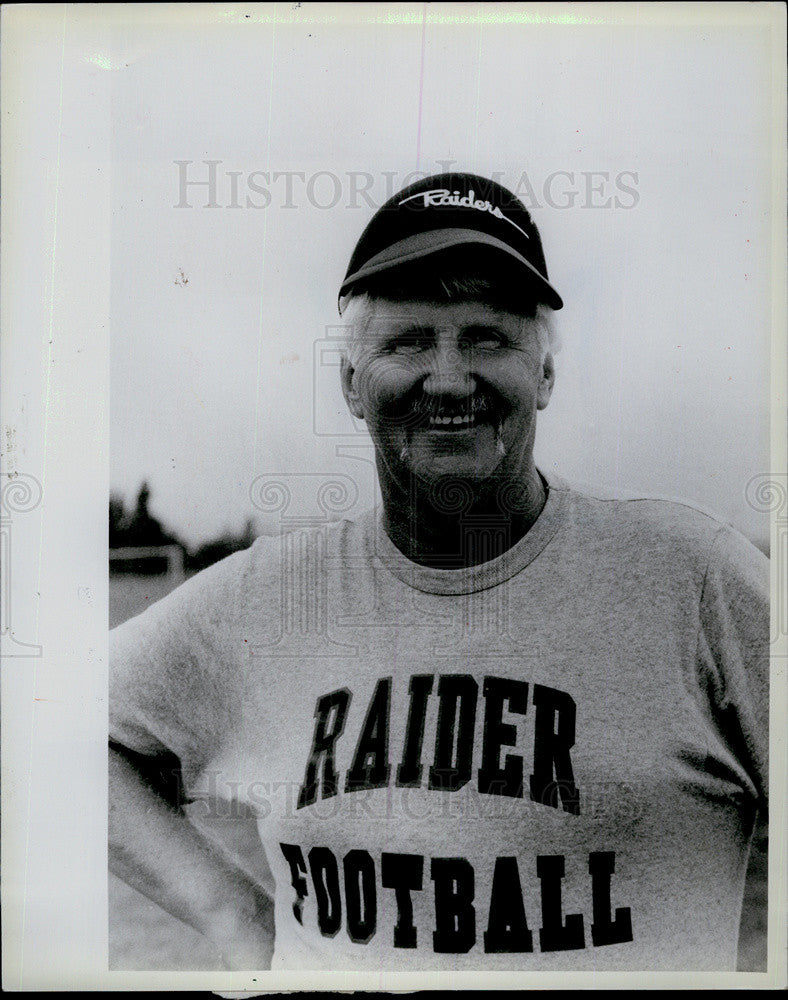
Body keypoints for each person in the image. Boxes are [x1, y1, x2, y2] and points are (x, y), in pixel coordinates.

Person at [109, 172, 769, 972]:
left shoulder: (693, 581)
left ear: (546, 375)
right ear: (352, 384)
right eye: (409, 340)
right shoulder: (267, 599)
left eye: (487, 336)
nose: (450, 378)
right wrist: (233, 915)